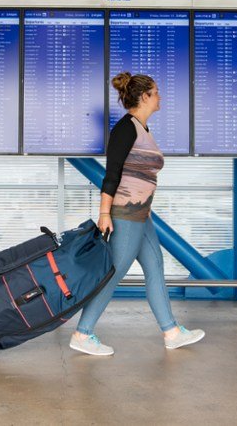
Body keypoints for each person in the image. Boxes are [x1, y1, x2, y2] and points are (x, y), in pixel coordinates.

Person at [69, 72, 205, 356]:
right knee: (115, 272)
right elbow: (112, 174)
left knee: (155, 267)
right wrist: (104, 213)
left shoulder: (142, 128)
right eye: (156, 92)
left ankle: (171, 332)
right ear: (144, 96)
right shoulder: (126, 129)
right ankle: (82, 334)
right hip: (125, 215)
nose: (160, 97)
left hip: (141, 215)